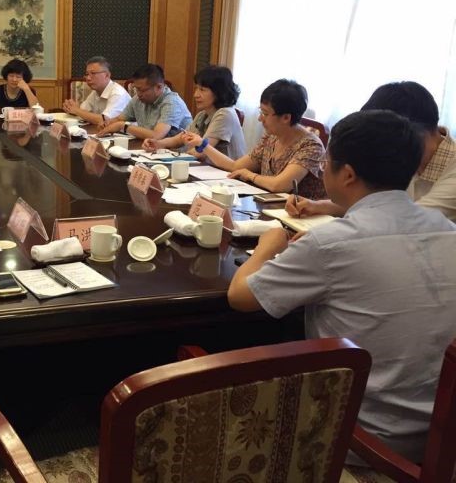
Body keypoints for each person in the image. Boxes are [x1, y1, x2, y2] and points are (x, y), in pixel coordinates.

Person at [228, 109, 456, 464]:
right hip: (438, 438)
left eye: (327, 162)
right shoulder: (448, 231)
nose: (323, 169)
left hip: (358, 440)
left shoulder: (330, 243)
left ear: (347, 174)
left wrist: (267, 247)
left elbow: (240, 297)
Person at [288, 81, 456, 221]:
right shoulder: (402, 155)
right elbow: (375, 203)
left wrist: (329, 235)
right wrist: (318, 206)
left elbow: (409, 220)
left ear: (408, 131)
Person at [184, 79, 326, 198]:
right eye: (260, 111)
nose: (259, 118)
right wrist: (204, 145)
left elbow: (280, 185)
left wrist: (251, 176)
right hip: (268, 206)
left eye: (265, 113)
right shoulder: (271, 137)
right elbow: (235, 166)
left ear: (286, 118)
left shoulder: (310, 146)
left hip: (298, 215)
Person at [143, 65, 246, 158]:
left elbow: (201, 151)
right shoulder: (203, 114)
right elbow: (181, 137)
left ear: (218, 92)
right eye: (196, 89)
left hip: (227, 172)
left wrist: (178, 155)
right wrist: (158, 144)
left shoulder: (225, 114)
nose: (196, 95)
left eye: (202, 90)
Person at [96, 63, 192, 140]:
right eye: (136, 89)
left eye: (142, 90)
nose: (138, 94)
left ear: (159, 87)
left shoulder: (172, 103)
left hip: (179, 154)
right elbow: (119, 119)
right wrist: (107, 124)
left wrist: (123, 127)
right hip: (151, 150)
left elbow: (156, 136)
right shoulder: (138, 99)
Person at [62, 56, 129, 126]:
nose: (88, 78)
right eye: (87, 74)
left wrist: (77, 111)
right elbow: (83, 112)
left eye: (93, 73)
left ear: (107, 75)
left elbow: (105, 121)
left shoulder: (118, 94)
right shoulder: (96, 92)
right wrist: (71, 108)